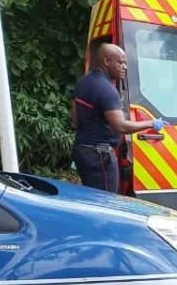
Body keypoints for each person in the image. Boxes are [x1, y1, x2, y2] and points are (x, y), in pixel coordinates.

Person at [71, 43, 165, 193]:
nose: (125, 67)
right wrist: (152, 123)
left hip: (82, 151)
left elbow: (75, 118)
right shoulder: (107, 90)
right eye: (121, 63)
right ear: (107, 61)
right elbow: (120, 126)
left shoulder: (83, 82)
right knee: (105, 201)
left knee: (90, 198)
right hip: (99, 156)